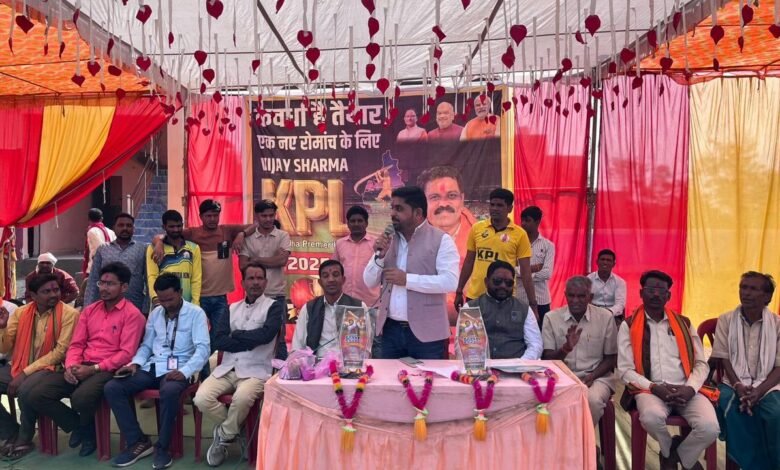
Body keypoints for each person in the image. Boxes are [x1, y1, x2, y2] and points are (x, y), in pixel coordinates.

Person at [21, 263, 146, 457]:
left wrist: (94, 369)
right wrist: (71, 366)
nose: (104, 288)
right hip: (81, 365)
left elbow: (126, 354)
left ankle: (88, 435)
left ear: (124, 287)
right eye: (101, 283)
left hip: (108, 369)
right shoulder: (89, 311)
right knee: (37, 395)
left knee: (81, 398)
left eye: (110, 284)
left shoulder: (133, 315)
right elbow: (76, 344)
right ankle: (81, 428)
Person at [104, 273, 210, 469]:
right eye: (161, 300)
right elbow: (146, 346)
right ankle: (138, 441)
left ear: (180, 292)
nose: (166, 304)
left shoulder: (196, 313)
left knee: (169, 391)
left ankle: (163, 447)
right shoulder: (155, 314)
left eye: (170, 299)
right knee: (113, 387)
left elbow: (203, 350)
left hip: (181, 367)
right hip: (153, 366)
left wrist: (185, 371)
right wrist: (135, 364)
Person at [617, 270, 718, 470]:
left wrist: (690, 388)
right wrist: (655, 388)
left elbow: (701, 363)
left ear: (668, 295)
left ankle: (672, 458)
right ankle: (673, 450)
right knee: (651, 418)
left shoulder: (684, 323)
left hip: (686, 389)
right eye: (650, 289)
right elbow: (625, 370)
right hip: (650, 389)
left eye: (661, 290)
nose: (656, 294)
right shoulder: (629, 325)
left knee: (710, 427)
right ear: (641, 293)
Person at [194, 260, 283, 467]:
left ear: (266, 282)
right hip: (228, 368)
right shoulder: (231, 308)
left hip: (256, 371)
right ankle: (237, 430)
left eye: (259, 278)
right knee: (201, 398)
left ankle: (223, 436)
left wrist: (236, 335)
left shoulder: (274, 307)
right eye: (251, 278)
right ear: (243, 283)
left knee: (242, 398)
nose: (255, 282)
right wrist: (249, 340)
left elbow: (266, 335)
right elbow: (219, 340)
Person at [363, 186, 459, 359]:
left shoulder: (441, 240)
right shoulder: (388, 240)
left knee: (428, 377)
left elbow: (450, 282)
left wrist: (407, 280)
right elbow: (369, 281)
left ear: (418, 213)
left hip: (428, 335)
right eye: (392, 208)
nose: (393, 214)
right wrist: (379, 256)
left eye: (399, 209)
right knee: (389, 377)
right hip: (390, 331)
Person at [0, 274, 79, 460]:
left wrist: (24, 374)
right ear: (33, 296)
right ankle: (10, 431)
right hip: (20, 365)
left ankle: (24, 439)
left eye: (56, 290)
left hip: (54, 368)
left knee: (26, 390)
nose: (53, 294)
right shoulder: (21, 312)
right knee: (24, 384)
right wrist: (2, 327)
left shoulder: (70, 314)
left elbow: (60, 353)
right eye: (46, 291)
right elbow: (4, 348)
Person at [711, 272, 780, 470]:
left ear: (767, 296)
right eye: (743, 287)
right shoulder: (726, 320)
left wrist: (759, 391)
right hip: (732, 382)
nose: (746, 293)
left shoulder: (777, 324)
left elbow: (779, 366)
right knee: (732, 408)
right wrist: (738, 385)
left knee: (776, 413)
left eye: (753, 289)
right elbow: (724, 358)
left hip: (769, 383)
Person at [152, 200, 249, 338]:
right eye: (208, 215)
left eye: (216, 215)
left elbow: (254, 226)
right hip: (200, 296)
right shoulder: (192, 233)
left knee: (219, 335)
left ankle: (210, 352)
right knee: (197, 334)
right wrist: (158, 243)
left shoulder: (227, 231)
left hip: (221, 296)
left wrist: (241, 234)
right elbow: (164, 235)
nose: (212, 219)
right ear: (201, 216)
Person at [542, 276, 617, 426]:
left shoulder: (605, 317)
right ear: (565, 295)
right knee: (546, 402)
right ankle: (566, 439)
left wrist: (592, 376)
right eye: (571, 295)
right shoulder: (551, 318)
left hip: (597, 377)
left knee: (592, 400)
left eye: (581, 296)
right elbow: (547, 358)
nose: (575, 300)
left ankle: (583, 440)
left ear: (590, 297)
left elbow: (611, 358)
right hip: (562, 378)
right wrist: (565, 349)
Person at [455, 188, 537, 318]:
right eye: (492, 204)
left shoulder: (520, 234)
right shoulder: (477, 228)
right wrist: (459, 290)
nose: (494, 208)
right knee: (471, 331)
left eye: (499, 205)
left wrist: (533, 304)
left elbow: (526, 272)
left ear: (509, 208)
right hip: (475, 297)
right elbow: (469, 261)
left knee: (502, 332)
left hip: (503, 297)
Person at [239, 200, 291, 359]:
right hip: (254, 296)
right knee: (252, 335)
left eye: (271, 215)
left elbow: (282, 261)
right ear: (257, 216)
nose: (268, 219)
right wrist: (272, 259)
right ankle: (253, 369)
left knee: (279, 338)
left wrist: (254, 259)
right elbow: (243, 265)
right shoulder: (248, 239)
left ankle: (281, 372)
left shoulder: (283, 236)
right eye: (264, 216)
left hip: (277, 295)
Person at [466, 260, 541, 360]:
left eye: (509, 283)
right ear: (486, 282)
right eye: (497, 281)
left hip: (518, 366)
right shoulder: (471, 308)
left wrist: (520, 364)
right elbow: (465, 345)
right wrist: (482, 365)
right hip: (481, 366)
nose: (503, 285)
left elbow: (535, 344)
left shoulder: (524, 309)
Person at [293, 260, 368, 358]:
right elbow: (297, 345)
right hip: (316, 364)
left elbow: (366, 347)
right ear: (320, 282)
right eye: (325, 276)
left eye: (335, 275)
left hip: (349, 363)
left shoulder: (358, 307)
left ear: (343, 280)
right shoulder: (309, 308)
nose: (331, 279)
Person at [84, 213, 148, 313]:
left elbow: (148, 280)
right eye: (121, 225)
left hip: (135, 306)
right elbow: (93, 280)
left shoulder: (142, 249)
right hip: (107, 307)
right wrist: (88, 309)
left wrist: (146, 309)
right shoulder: (103, 249)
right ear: (114, 227)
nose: (125, 228)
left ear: (133, 229)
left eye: (129, 225)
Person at [147, 210, 202, 307]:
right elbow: (152, 276)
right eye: (171, 226)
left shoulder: (193, 248)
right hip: (162, 303)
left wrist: (195, 303)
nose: (176, 229)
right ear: (164, 227)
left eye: (179, 226)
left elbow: (196, 279)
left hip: (187, 304)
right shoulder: (153, 249)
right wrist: (156, 299)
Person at [332, 205, 380, 306]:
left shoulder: (376, 244)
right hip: (344, 301)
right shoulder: (340, 244)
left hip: (370, 302)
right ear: (348, 224)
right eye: (353, 221)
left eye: (360, 221)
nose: (356, 224)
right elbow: (334, 270)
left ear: (366, 223)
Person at [515, 206, 555, 324]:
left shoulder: (548, 245)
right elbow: (510, 270)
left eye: (527, 220)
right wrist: (535, 268)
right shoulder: (515, 244)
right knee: (518, 333)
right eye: (522, 220)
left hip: (541, 300)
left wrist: (524, 273)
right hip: (519, 298)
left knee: (541, 332)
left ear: (537, 222)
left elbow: (547, 273)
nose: (523, 223)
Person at [588, 249, 627, 322]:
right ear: (597, 262)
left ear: (613, 264)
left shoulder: (620, 282)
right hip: (593, 315)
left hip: (613, 316)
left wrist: (607, 313)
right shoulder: (588, 280)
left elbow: (620, 304)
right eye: (602, 259)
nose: (605, 262)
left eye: (608, 260)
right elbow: (586, 302)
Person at [83, 208, 116, 277]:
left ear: (89, 219)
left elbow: (99, 250)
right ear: (101, 219)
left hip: (96, 270)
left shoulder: (91, 231)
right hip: (111, 268)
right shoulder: (111, 232)